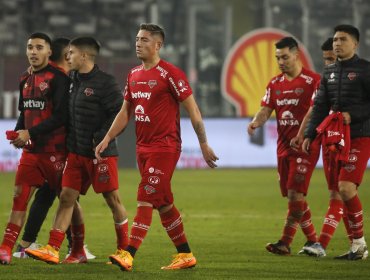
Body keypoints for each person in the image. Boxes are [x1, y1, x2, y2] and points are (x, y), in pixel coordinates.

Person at [94, 23, 218, 271]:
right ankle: (185, 254)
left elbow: (193, 110)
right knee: (163, 203)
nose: (138, 43)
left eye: (145, 40)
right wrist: (108, 137)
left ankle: (129, 253)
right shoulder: (133, 74)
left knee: (145, 197)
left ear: (158, 45)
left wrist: (203, 143)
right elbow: (125, 111)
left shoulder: (170, 73)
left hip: (166, 147)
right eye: (137, 39)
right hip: (143, 149)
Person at [25, 36, 129, 265]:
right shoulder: (70, 78)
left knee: (112, 200)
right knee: (66, 197)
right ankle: (58, 248)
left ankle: (125, 252)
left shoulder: (106, 83)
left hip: (101, 153)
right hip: (75, 152)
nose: (67, 56)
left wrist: (101, 137)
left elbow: (119, 114)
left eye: (70, 53)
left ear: (83, 55)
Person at [12, 37, 95, 261]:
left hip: (50, 148)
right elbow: (61, 116)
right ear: (65, 55)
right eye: (71, 52)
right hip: (61, 148)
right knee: (67, 197)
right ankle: (75, 247)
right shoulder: (63, 79)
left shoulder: (56, 76)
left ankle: (26, 244)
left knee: (49, 195)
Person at [0, 32, 70, 265]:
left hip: (56, 152)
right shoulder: (24, 78)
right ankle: (6, 249)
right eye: (29, 47)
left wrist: (31, 133)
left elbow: (61, 116)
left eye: (39, 47)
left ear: (49, 52)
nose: (33, 51)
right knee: (19, 197)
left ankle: (77, 248)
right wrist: (19, 132)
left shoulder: (59, 78)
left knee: (68, 200)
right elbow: (24, 112)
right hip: (32, 153)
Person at [247, 37, 321, 256]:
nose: (280, 61)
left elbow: (318, 110)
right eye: (277, 58)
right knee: (294, 197)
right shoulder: (275, 83)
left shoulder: (313, 81)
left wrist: (305, 134)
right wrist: (255, 122)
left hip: (305, 146)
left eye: (285, 57)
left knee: (294, 194)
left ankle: (285, 242)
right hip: (283, 147)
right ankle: (314, 243)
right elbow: (265, 108)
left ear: (296, 55)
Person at [303, 24, 370, 260]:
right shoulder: (329, 73)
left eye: (342, 39)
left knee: (345, 187)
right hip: (336, 138)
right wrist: (310, 135)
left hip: (361, 136)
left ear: (355, 44)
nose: (337, 44)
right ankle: (357, 246)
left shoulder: (365, 70)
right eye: (335, 40)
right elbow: (320, 106)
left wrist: (355, 115)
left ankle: (360, 243)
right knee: (338, 189)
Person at [290, 37, 353, 258]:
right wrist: (303, 135)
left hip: (348, 141)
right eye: (325, 59)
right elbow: (315, 110)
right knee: (340, 194)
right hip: (329, 141)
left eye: (331, 58)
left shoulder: (355, 79)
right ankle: (357, 244)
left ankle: (321, 244)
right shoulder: (326, 80)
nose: (327, 64)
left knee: (340, 192)